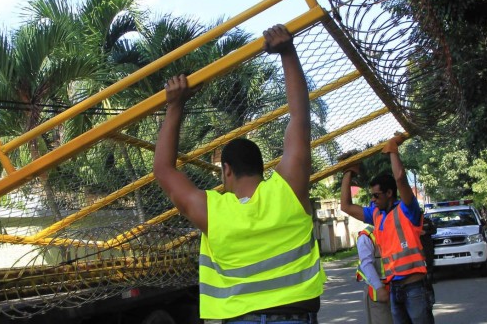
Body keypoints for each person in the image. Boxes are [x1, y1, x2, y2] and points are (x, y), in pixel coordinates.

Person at [153, 24, 326, 323]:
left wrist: (175, 106)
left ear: (227, 170)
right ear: (262, 168)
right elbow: (300, 119)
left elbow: (163, 169)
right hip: (295, 316)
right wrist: (287, 52)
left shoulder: (212, 211)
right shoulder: (287, 191)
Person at [340, 135, 434, 324]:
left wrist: (392, 150)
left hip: (414, 287)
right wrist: (349, 172)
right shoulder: (377, 215)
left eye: (376, 195)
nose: (372, 199)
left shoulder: (407, 210)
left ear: (389, 193)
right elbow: (346, 205)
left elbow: (400, 179)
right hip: (395, 288)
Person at [356, 225, 393, 324]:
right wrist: (379, 288)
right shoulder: (367, 236)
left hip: (399, 290)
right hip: (379, 294)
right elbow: (367, 265)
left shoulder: (393, 227)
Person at [420, 216, 437, 284]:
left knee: (429, 260)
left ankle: (431, 277)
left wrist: (426, 232)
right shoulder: (413, 221)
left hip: (428, 244)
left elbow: (434, 231)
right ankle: (422, 279)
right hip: (418, 244)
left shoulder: (427, 221)